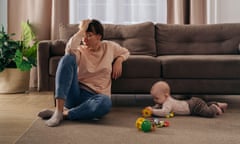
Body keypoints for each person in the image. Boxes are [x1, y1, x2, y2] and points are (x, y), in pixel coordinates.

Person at [38, 19, 130, 127]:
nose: (85, 39)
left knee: (105, 102)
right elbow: (69, 51)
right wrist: (81, 30)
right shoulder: (80, 49)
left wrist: (119, 60)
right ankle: (58, 110)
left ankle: (64, 114)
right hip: (75, 94)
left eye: (89, 35)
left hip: (95, 98)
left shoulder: (109, 47)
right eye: (84, 36)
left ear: (99, 37)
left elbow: (126, 52)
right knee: (67, 59)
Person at [146, 81, 228, 118]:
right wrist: (152, 108)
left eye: (157, 98)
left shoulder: (168, 103)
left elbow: (164, 112)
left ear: (166, 95)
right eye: (153, 98)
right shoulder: (164, 100)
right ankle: (217, 104)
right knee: (204, 106)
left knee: (208, 113)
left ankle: (214, 107)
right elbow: (158, 106)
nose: (155, 100)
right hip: (192, 103)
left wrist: (153, 111)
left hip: (193, 107)